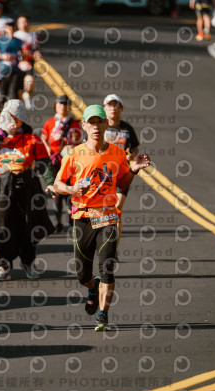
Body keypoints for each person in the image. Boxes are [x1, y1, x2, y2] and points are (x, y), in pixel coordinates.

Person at [53, 105, 150, 331]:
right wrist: (72, 189)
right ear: (84, 126)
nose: (96, 126)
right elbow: (58, 184)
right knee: (82, 274)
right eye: (91, 122)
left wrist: (134, 170)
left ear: (106, 124)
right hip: (83, 216)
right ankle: (92, 287)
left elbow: (122, 182)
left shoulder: (117, 153)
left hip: (107, 215)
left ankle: (103, 314)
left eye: (100, 122)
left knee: (107, 266)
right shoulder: (74, 154)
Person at [0, 99, 56, 281]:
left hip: (27, 187)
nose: (13, 121)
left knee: (28, 225)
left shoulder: (32, 139)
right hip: (1, 187)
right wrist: (1, 135)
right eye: (9, 116)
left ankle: (28, 261)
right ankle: (3, 265)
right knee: (3, 226)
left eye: (16, 117)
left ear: (23, 119)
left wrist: (51, 183)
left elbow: (44, 163)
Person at [40, 95, 82, 232]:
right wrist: (47, 150)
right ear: (55, 106)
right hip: (55, 161)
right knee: (57, 190)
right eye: (59, 104)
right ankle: (58, 220)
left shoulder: (74, 124)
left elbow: (79, 142)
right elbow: (43, 138)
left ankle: (71, 220)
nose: (62, 107)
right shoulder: (49, 123)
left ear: (68, 107)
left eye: (65, 105)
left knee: (70, 191)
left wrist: (72, 145)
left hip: (69, 162)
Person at [102, 94, 139, 249]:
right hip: (103, 175)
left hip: (122, 174)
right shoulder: (100, 127)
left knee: (116, 209)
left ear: (121, 109)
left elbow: (135, 149)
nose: (113, 109)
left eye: (116, 105)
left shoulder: (127, 129)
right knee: (103, 211)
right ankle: (102, 242)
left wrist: (132, 155)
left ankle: (113, 249)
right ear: (104, 108)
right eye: (110, 105)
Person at [14, 15, 41, 109]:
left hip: (29, 62)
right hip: (17, 64)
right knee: (19, 87)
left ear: (29, 23)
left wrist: (37, 53)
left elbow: (36, 49)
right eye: (21, 22)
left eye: (25, 22)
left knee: (30, 83)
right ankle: (20, 103)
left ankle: (27, 95)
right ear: (18, 24)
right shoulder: (15, 35)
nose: (24, 24)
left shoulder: (33, 35)